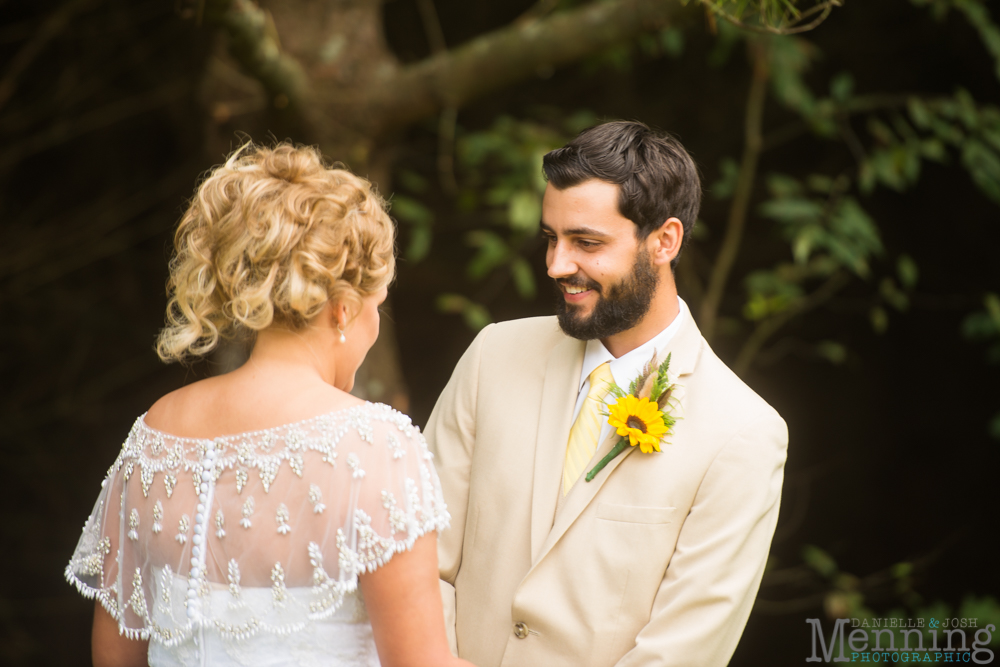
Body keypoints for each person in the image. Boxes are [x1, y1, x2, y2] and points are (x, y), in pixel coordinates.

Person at [65, 143, 476, 667]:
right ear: (345, 310)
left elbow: (115, 657)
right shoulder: (375, 446)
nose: (377, 323)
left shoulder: (157, 432)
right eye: (379, 305)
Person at [425, 121, 788, 667]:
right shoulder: (492, 357)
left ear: (664, 241)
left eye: (586, 243)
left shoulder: (743, 434)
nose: (556, 265)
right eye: (551, 238)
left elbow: (680, 651)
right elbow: (417, 555)